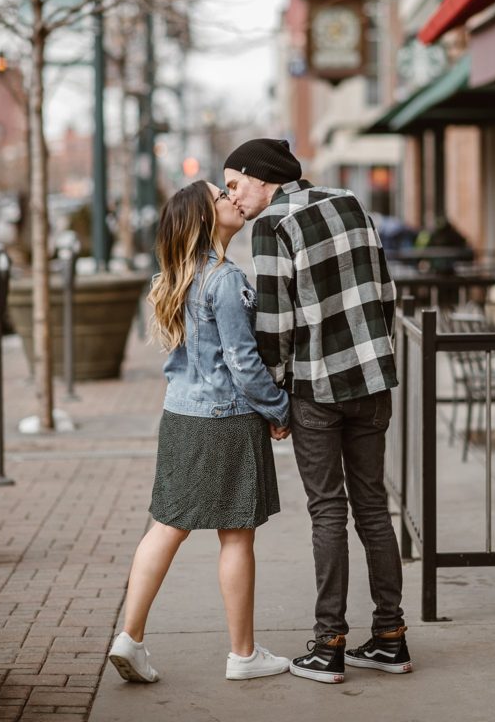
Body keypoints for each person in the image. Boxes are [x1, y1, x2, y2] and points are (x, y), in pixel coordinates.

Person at [224, 138, 411, 685]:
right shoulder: (350, 202)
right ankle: (391, 638)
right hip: (373, 381)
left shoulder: (272, 226)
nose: (234, 198)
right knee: (374, 508)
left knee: (329, 511)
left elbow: (275, 328)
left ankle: (329, 646)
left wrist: (274, 399)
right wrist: (377, 353)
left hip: (317, 390)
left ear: (262, 178)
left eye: (235, 184)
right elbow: (385, 293)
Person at [108, 181, 290, 685]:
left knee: (165, 526)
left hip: (180, 418)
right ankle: (243, 655)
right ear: (204, 220)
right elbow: (243, 361)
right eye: (221, 196)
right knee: (236, 536)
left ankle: (130, 637)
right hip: (226, 420)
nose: (234, 199)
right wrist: (278, 408)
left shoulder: (175, 277)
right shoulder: (225, 279)